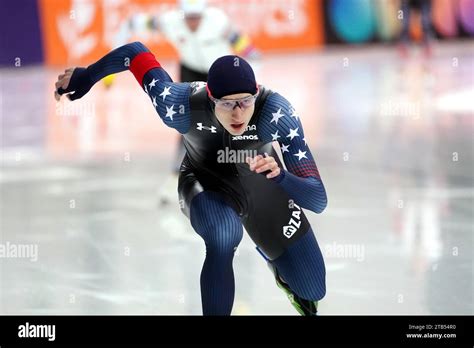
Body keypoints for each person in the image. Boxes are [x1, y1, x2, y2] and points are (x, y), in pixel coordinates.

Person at [54, 41, 327, 316]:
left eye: (245, 102)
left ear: (256, 95)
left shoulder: (276, 113)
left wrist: (282, 178)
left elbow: (317, 200)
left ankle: (281, 272)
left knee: (314, 290)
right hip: (206, 183)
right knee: (224, 235)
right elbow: (135, 53)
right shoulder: (180, 104)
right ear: (210, 99)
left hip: (263, 184)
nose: (237, 113)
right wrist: (87, 76)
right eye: (227, 104)